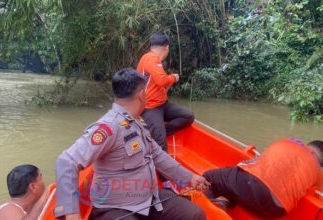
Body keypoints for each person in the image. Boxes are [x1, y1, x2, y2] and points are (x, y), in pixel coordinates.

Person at [54, 68, 209, 220]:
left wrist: (189, 177)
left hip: (148, 200)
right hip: (114, 208)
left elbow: (158, 155)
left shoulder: (137, 121)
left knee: (195, 214)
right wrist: (72, 213)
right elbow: (66, 161)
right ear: (141, 94)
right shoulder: (108, 127)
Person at [202, 138, 323, 219]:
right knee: (236, 185)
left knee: (207, 177)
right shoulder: (318, 174)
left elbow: (257, 161)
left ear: (308, 145)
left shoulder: (289, 141)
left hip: (253, 185)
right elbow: (316, 196)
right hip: (275, 210)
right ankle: (223, 201)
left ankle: (210, 213)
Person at [136, 32, 194, 151]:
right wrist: (174, 77)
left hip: (162, 104)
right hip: (150, 106)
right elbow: (162, 81)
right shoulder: (152, 59)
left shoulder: (149, 58)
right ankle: (158, 136)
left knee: (188, 117)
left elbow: (158, 82)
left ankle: (160, 131)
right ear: (166, 47)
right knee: (162, 145)